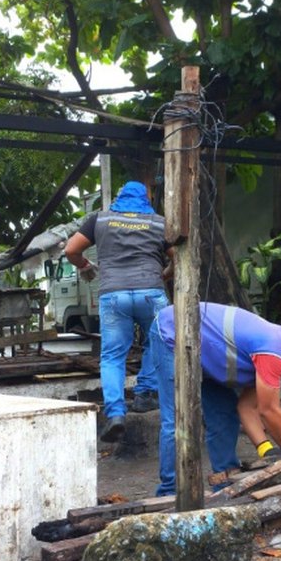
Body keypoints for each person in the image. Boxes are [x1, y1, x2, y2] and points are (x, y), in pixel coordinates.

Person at [150, 302, 281, 497]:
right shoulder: (273, 349)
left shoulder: (269, 348)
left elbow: (247, 407)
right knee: (177, 420)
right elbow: (269, 410)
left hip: (206, 354)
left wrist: (266, 450)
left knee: (224, 415)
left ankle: (225, 484)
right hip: (172, 333)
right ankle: (169, 492)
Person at [64, 181, 173, 443]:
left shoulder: (99, 220)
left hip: (113, 293)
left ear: (120, 197)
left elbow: (70, 249)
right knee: (157, 344)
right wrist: (165, 273)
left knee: (112, 356)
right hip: (151, 292)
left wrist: (84, 264)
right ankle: (145, 395)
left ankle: (115, 414)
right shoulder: (159, 222)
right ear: (146, 199)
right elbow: (177, 256)